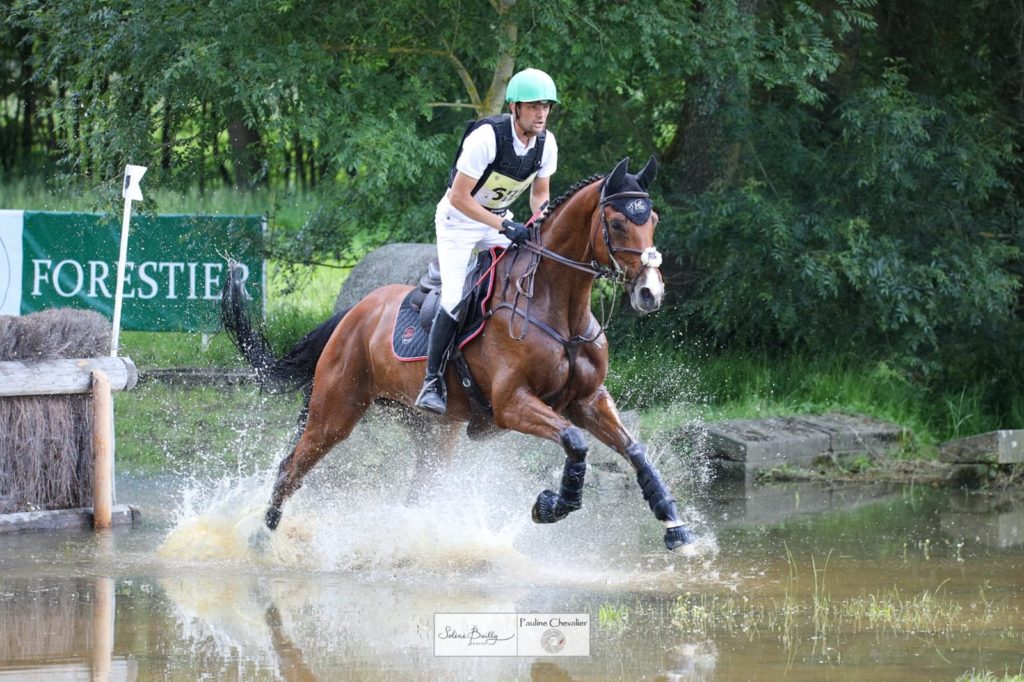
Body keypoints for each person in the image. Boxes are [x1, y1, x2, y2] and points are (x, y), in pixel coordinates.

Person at [415, 67, 560, 414]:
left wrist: (539, 220)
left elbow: (540, 195)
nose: (541, 113)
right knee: (453, 298)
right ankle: (431, 383)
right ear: (514, 107)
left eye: (546, 106)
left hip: (497, 220)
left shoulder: (546, 143)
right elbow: (459, 198)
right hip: (457, 222)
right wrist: (504, 226)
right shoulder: (486, 138)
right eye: (533, 106)